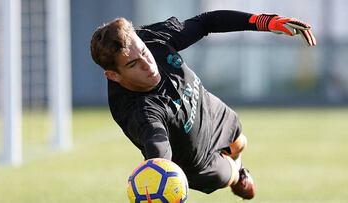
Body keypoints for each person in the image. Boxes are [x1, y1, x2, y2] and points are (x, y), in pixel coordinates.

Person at [90, 10, 316, 200]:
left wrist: (264, 22)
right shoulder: (141, 112)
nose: (148, 65)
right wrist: (158, 176)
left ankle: (236, 156)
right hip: (198, 162)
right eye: (133, 64)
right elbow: (158, 150)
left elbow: (205, 22)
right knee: (231, 176)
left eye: (144, 53)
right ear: (113, 75)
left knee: (240, 142)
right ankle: (238, 175)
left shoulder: (150, 37)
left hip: (209, 109)